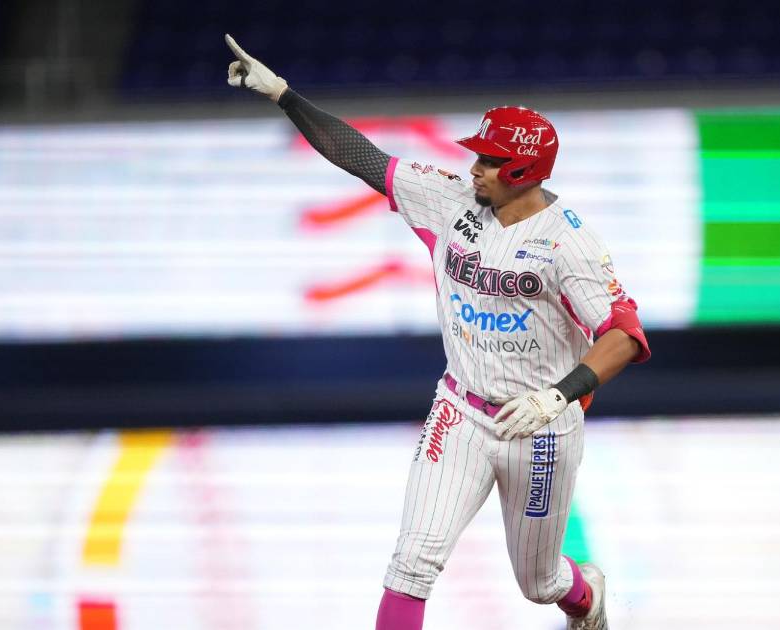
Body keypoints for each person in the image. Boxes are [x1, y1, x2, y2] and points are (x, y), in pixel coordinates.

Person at [224, 35, 651, 630]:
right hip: (460, 410)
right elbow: (363, 158)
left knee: (538, 583)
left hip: (541, 426)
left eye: (489, 160)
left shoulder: (570, 243)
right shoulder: (450, 200)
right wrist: (284, 96)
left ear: (523, 170)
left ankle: (585, 595)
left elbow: (624, 336)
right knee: (411, 564)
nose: (474, 168)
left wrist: (558, 395)